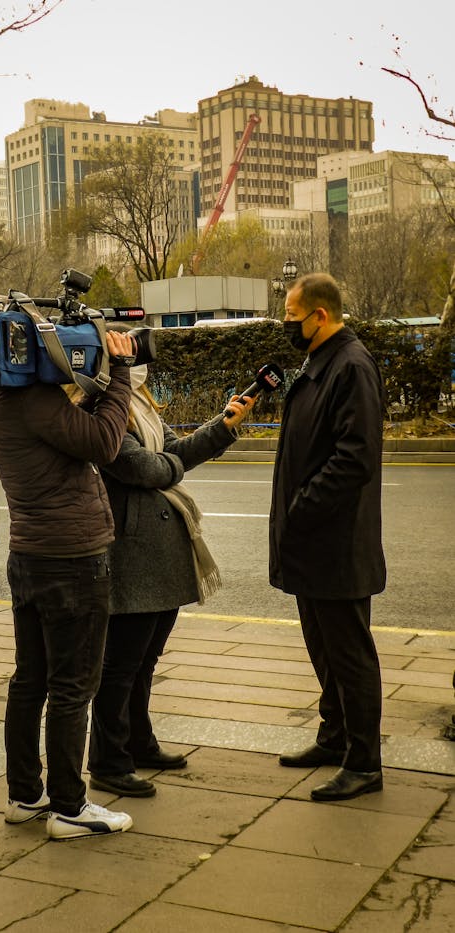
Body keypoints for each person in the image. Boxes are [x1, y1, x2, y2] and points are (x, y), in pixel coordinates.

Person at [0, 329, 138, 841]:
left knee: (30, 680)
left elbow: (64, 426)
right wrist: (121, 372)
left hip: (29, 555)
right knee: (72, 687)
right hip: (72, 559)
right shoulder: (37, 402)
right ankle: (70, 806)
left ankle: (25, 795)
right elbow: (105, 442)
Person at [86, 364, 255, 797]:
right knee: (120, 666)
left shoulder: (139, 404)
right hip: (133, 555)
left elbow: (173, 452)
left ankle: (138, 744)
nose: (139, 365)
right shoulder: (101, 406)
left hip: (159, 555)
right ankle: (108, 761)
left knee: (144, 662)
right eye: (128, 357)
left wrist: (223, 425)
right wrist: (170, 465)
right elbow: (141, 468)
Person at [269, 272, 386, 802]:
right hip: (312, 543)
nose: (286, 325)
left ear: (320, 315)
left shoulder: (352, 365)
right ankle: (334, 736)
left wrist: (303, 507)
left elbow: (354, 456)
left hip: (335, 543)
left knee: (349, 654)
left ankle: (364, 762)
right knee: (323, 648)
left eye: (292, 317)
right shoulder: (322, 360)